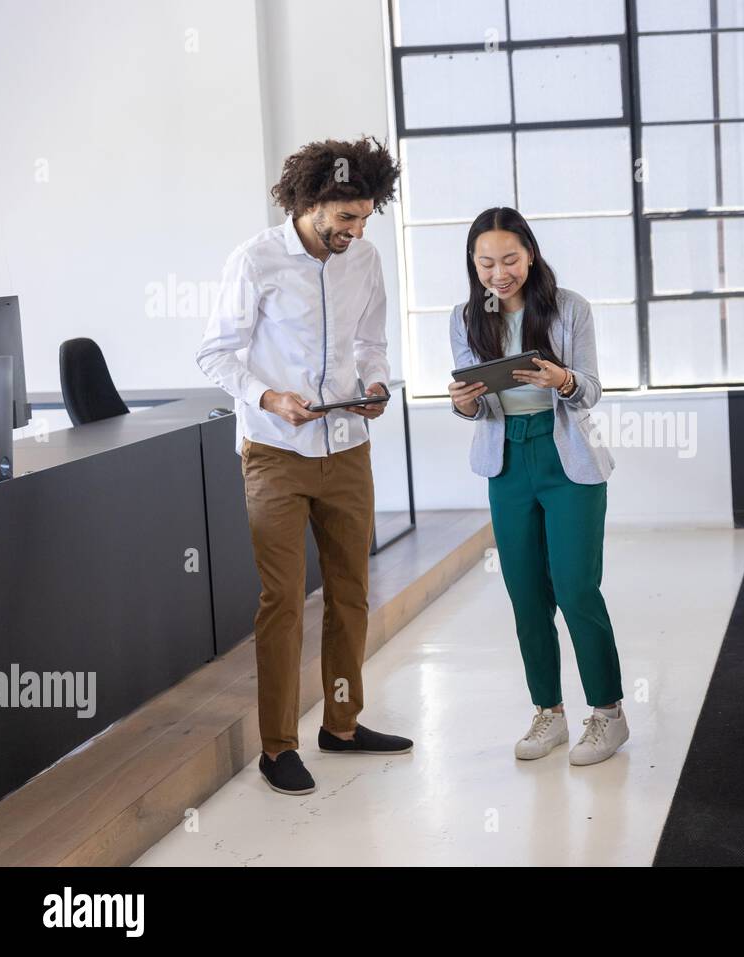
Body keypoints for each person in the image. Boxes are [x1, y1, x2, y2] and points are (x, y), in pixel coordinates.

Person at [195, 137, 412, 796]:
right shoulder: (256, 261)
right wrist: (268, 396)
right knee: (282, 600)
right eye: (345, 218)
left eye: (365, 218)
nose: (355, 231)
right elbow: (214, 352)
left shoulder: (365, 259)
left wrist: (374, 384)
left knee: (351, 592)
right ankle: (277, 746)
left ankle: (341, 725)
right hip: (275, 454)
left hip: (347, 446)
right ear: (309, 203)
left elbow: (372, 341)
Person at [448, 207, 627, 766]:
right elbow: (473, 403)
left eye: (509, 259)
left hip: (566, 457)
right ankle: (548, 713)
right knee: (526, 596)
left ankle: (608, 715)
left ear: (530, 253)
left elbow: (591, 389)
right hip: (506, 462)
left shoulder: (569, 308)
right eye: (485, 263)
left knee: (576, 590)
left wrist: (563, 379)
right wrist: (465, 403)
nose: (498, 273)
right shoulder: (464, 317)